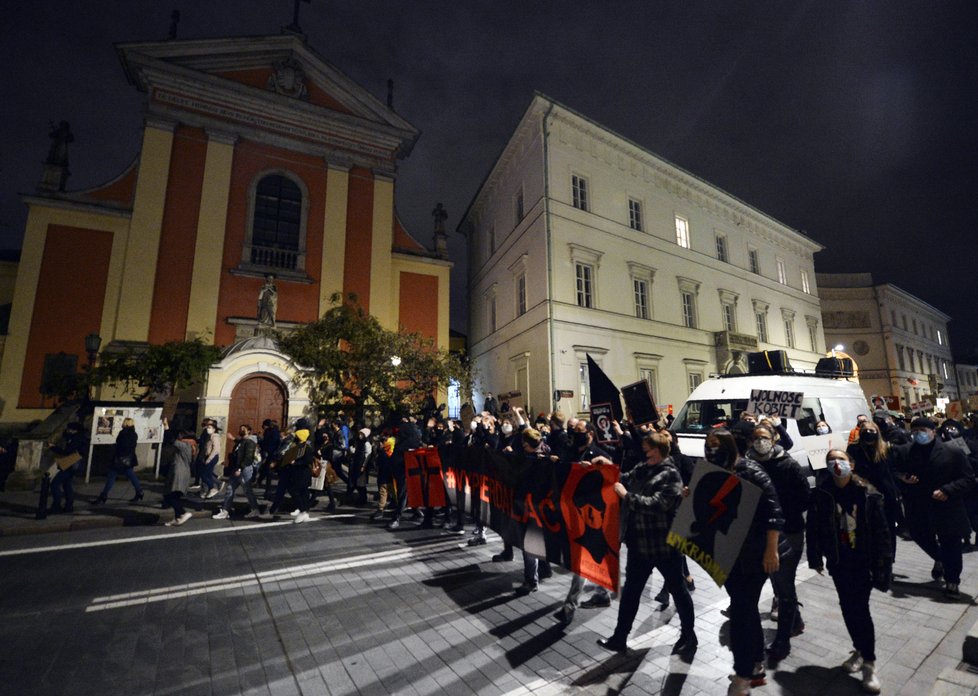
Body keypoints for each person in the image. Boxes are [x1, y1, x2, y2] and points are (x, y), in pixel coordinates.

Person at [596, 431, 696, 655]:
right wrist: (606, 466)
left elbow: (657, 504)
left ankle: (689, 636)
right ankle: (619, 638)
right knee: (631, 592)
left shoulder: (671, 475)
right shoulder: (645, 468)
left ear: (659, 451)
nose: (645, 454)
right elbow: (623, 478)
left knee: (679, 590)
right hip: (639, 544)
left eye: (648, 451)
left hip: (664, 546)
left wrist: (626, 497)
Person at [703, 428, 783, 696]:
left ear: (729, 445)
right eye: (708, 444)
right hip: (730, 554)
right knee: (744, 609)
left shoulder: (751, 471)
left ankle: (743, 675)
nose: (712, 449)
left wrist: (771, 551)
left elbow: (774, 513)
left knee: (742, 611)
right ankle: (756, 665)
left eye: (716, 444)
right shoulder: (715, 471)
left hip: (753, 554)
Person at [807, 449, 892, 694]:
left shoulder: (868, 493)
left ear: (851, 464)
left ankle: (869, 663)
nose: (836, 463)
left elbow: (882, 532)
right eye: (831, 460)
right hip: (838, 561)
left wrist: (884, 564)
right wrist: (815, 558)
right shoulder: (822, 493)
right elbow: (813, 528)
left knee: (860, 610)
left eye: (841, 459)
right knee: (847, 607)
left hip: (863, 561)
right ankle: (859, 649)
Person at [892, 416, 976, 596]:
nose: (918, 435)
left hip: (947, 506)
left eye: (922, 431)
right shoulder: (905, 452)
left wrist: (948, 490)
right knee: (919, 535)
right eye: (914, 432)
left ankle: (952, 581)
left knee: (951, 543)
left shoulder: (952, 452)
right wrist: (903, 478)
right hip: (918, 506)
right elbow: (893, 472)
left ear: (933, 432)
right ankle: (940, 558)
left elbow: (968, 479)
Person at [746, 424, 809, 660]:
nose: (759, 441)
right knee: (778, 582)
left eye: (764, 437)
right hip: (760, 535)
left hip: (789, 532)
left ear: (774, 439)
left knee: (783, 584)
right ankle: (796, 620)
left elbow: (804, 498)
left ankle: (782, 640)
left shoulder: (788, 464)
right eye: (756, 438)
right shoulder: (748, 464)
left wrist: (780, 513)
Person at [847, 421, 900, 559]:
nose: (868, 433)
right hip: (864, 493)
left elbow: (893, 470)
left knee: (888, 528)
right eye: (865, 430)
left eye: (872, 430)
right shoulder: (854, 449)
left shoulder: (886, 448)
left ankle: (889, 558)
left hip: (885, 494)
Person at [212, 424, 262, 520]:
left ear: (249, 431)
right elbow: (239, 445)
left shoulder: (250, 442)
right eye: (240, 429)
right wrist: (232, 439)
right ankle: (225, 511)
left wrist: (240, 468)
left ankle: (255, 509)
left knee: (247, 490)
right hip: (236, 469)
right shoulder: (242, 441)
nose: (241, 430)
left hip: (244, 470)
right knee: (230, 489)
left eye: (243, 429)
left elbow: (248, 458)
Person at [93, 418, 143, 504]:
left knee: (111, 476)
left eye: (124, 422)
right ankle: (139, 492)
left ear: (126, 424)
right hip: (128, 459)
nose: (122, 423)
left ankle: (103, 496)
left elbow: (120, 445)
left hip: (119, 459)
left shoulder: (123, 433)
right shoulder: (134, 434)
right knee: (131, 476)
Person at [49, 422, 86, 513]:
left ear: (74, 430)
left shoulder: (76, 438)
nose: (67, 430)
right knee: (67, 484)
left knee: (54, 484)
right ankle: (69, 506)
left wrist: (53, 448)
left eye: (69, 429)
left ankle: (57, 505)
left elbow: (67, 451)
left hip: (70, 464)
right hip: (73, 464)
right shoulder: (78, 437)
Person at [163, 429, 195, 527]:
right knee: (175, 495)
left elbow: (171, 440)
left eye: (181, 436)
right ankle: (177, 518)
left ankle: (183, 512)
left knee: (170, 495)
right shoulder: (189, 446)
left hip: (179, 473)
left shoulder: (185, 445)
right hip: (181, 472)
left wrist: (166, 428)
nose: (179, 437)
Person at [198, 419, 222, 499]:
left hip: (212, 457)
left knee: (204, 474)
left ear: (214, 429)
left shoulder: (215, 436)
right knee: (207, 474)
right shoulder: (210, 436)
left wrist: (209, 459)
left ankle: (212, 488)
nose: (208, 429)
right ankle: (211, 489)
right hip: (207, 456)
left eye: (210, 427)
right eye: (207, 427)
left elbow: (216, 449)